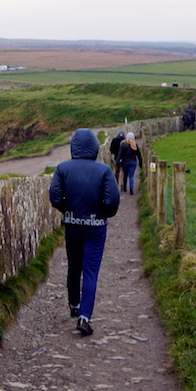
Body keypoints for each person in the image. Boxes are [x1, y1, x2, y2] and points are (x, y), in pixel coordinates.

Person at [50, 129, 122, 337]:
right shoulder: (104, 171)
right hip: (96, 227)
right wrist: (102, 214)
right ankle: (84, 317)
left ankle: (74, 305)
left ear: (74, 147)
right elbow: (112, 201)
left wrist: (68, 210)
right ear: (93, 147)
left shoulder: (63, 169)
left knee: (74, 266)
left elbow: (55, 196)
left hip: (72, 225)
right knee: (90, 271)